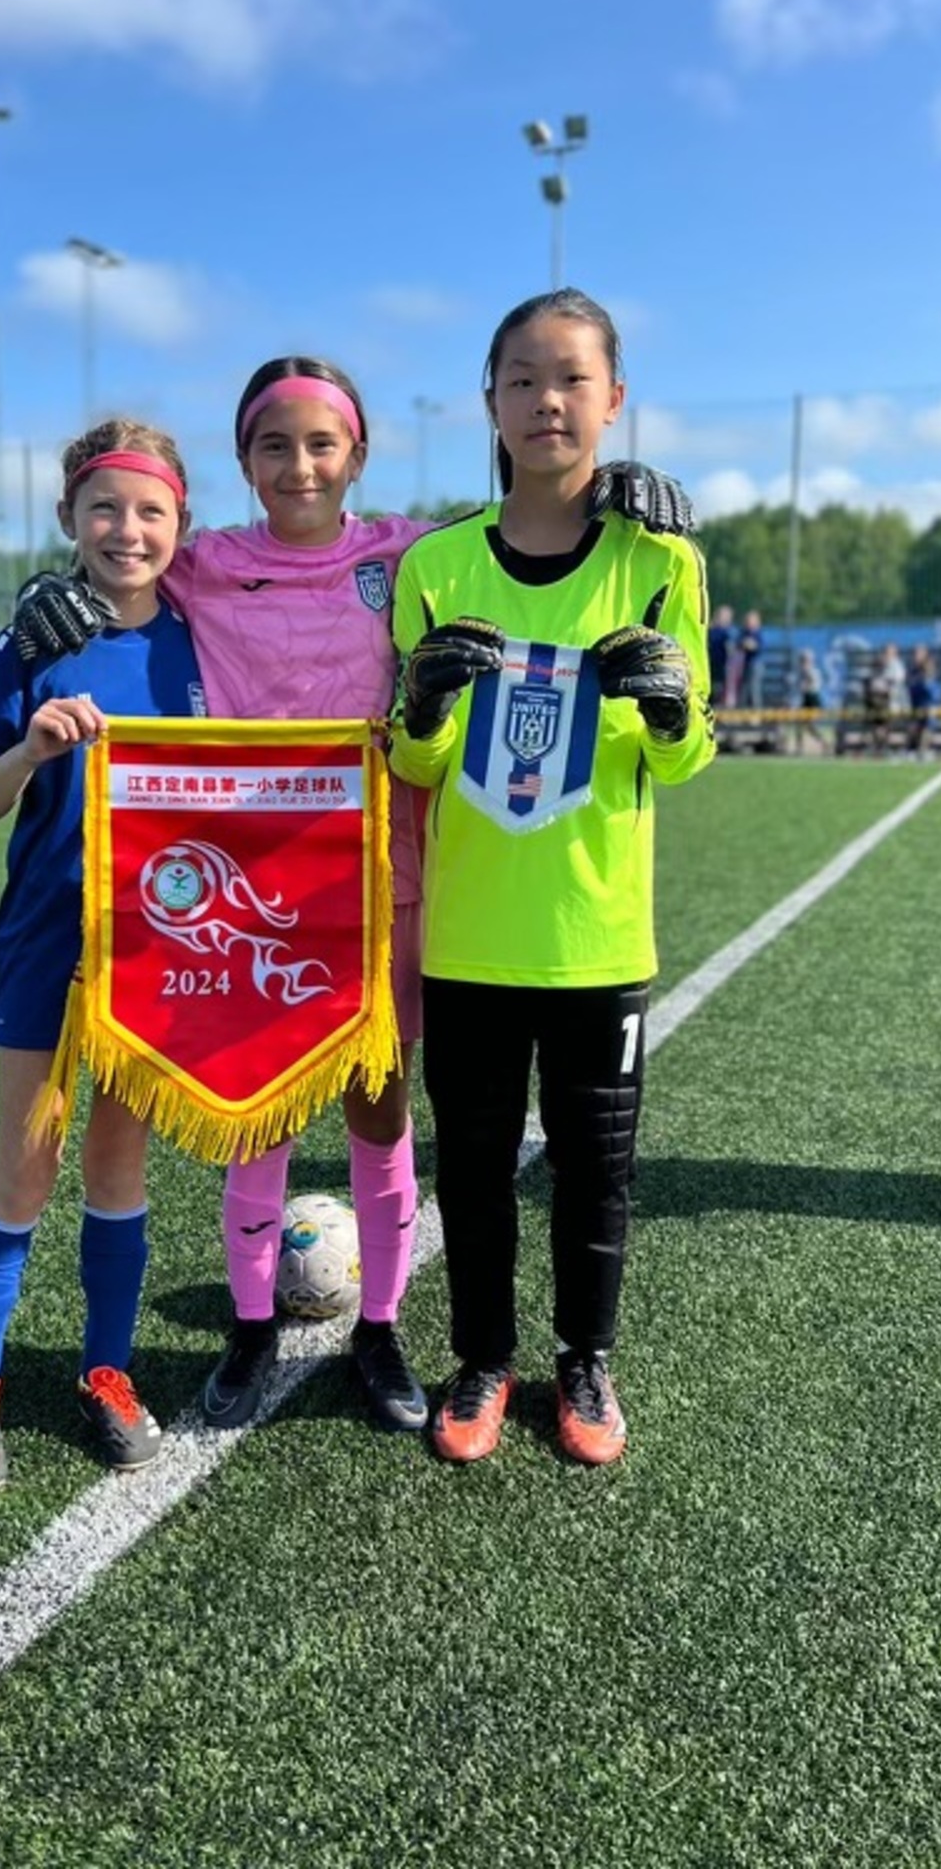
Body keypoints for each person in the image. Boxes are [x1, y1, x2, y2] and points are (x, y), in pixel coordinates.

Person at [15, 362, 696, 1438]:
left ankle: (379, 1326)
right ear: (244, 463)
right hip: (248, 898)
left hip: (385, 884)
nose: (299, 466)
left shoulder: (409, 555)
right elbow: (124, 562)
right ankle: (251, 1327)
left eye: (321, 444)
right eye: (273, 446)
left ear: (358, 456)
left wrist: (617, 484)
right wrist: (49, 594)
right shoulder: (206, 565)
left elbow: (518, 531)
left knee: (381, 1109)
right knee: (259, 1113)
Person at [388, 287, 715, 1466]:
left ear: (615, 400)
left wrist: (673, 705)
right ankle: (481, 1358)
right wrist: (422, 702)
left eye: (573, 377)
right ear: (490, 401)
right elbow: (412, 759)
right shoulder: (432, 565)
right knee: (471, 1173)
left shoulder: (663, 559)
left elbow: (687, 754)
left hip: (598, 936)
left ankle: (588, 1357)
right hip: (472, 934)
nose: (548, 399)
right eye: (522, 377)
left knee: (596, 1172)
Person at [0, 419, 206, 1491]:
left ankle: (106, 1367)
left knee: (118, 1162)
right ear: (67, 520)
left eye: (150, 511)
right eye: (105, 508)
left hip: (158, 938)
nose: (127, 530)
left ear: (183, 523)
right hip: (49, 933)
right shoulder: (31, 639)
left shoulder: (202, 633)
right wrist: (32, 744)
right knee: (28, 1160)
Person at [904, 645, 941, 759]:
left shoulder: (930, 668)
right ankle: (910, 750)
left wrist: (927, 674)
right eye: (915, 653)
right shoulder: (912, 670)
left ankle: (923, 750)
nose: (916, 656)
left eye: (919, 653)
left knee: (928, 725)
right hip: (916, 702)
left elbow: (933, 689)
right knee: (913, 726)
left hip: (929, 702)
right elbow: (910, 686)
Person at [735, 608, 764, 708]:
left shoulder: (757, 633)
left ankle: (756, 713)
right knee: (744, 689)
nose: (748, 622)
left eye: (750, 620)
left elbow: (756, 646)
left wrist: (748, 644)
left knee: (754, 689)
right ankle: (742, 713)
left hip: (755, 665)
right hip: (744, 665)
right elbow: (739, 644)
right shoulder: (744, 632)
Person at [708, 604, 735, 708]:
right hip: (709, 664)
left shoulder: (727, 633)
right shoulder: (710, 630)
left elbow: (730, 650)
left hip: (720, 665)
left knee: (718, 688)